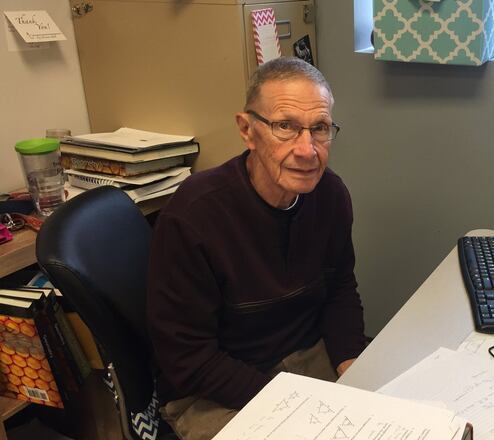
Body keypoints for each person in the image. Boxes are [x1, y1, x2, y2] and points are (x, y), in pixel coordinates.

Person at [146, 57, 367, 440]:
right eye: (285, 127)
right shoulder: (194, 215)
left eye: (320, 128)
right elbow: (188, 358)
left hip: (308, 358)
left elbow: (340, 290)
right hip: (214, 388)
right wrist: (290, 402)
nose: (307, 149)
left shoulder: (331, 196)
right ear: (247, 130)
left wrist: (351, 361)